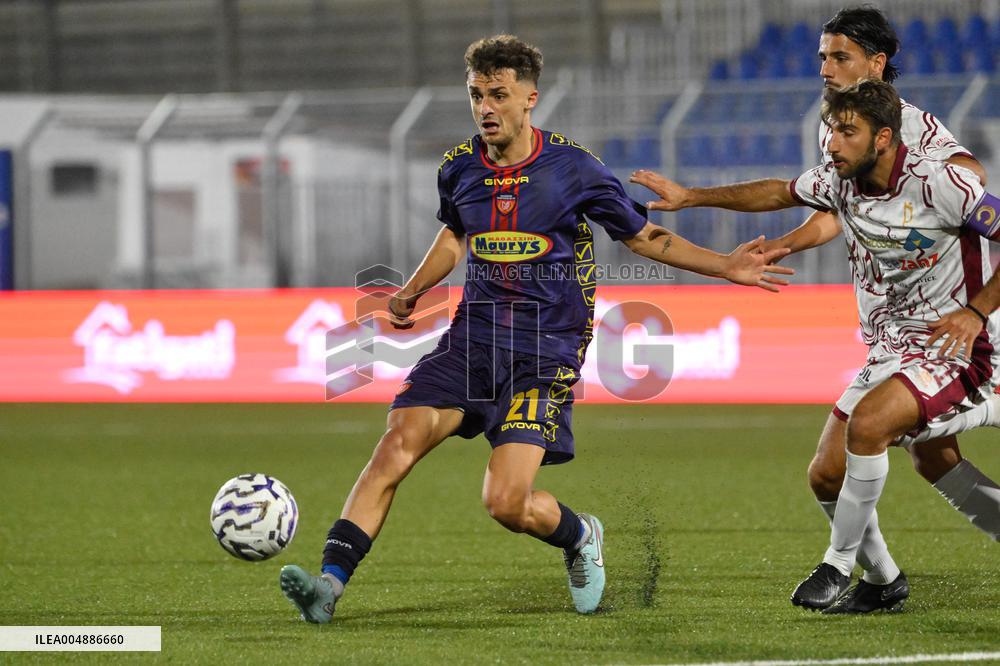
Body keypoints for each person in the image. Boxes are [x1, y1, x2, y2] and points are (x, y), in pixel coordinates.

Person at [278, 34, 794, 623]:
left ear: (530, 100)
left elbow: (642, 236)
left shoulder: (573, 168)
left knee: (505, 503)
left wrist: (725, 264)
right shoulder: (459, 168)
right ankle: (328, 585)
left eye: (498, 95)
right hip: (472, 339)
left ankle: (578, 536)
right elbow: (454, 237)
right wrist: (412, 290)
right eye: (476, 95)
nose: (485, 108)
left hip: (546, 348)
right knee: (396, 444)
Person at [633, 5, 1000, 614]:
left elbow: (965, 190)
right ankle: (883, 579)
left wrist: (976, 307)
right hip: (888, 333)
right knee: (850, 470)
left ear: (877, 66)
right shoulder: (837, 136)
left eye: (840, 57)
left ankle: (838, 565)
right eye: (822, 57)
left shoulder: (928, 151)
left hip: (949, 335)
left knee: (876, 428)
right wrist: (769, 234)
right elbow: (818, 198)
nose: (825, 68)